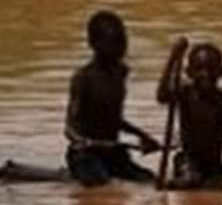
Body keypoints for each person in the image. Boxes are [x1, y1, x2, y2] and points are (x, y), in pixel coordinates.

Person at [65, 10, 161, 187]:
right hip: (86, 155)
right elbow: (69, 128)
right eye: (113, 43)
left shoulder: (120, 72)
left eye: (122, 41)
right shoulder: (83, 78)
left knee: (149, 180)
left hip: (113, 152)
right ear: (93, 44)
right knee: (104, 188)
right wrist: (87, 142)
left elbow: (112, 118)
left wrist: (142, 136)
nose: (120, 48)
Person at [157, 39, 222, 191]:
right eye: (199, 69)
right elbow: (162, 96)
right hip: (187, 162)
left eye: (211, 69)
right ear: (189, 72)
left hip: (214, 165)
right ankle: (172, 186)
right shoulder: (184, 93)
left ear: (221, 72)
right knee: (190, 181)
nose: (205, 74)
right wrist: (173, 58)